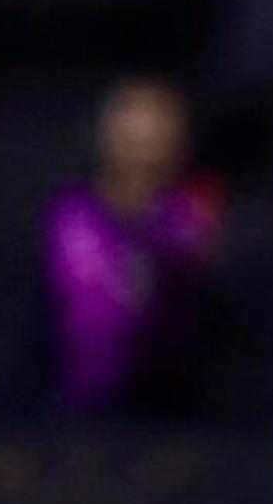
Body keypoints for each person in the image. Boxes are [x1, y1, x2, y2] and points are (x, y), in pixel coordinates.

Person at [44, 76, 222, 418]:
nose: (141, 139)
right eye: (130, 122)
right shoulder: (71, 215)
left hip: (182, 409)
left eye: (156, 123)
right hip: (77, 409)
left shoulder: (196, 212)